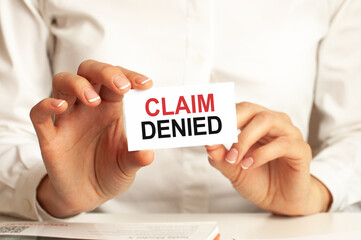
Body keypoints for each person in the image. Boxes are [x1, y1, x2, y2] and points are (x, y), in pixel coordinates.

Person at [0, 0, 361, 220]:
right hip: (79, 228)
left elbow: (355, 131)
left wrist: (316, 191)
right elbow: (5, 129)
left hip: (279, 228)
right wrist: (51, 190)